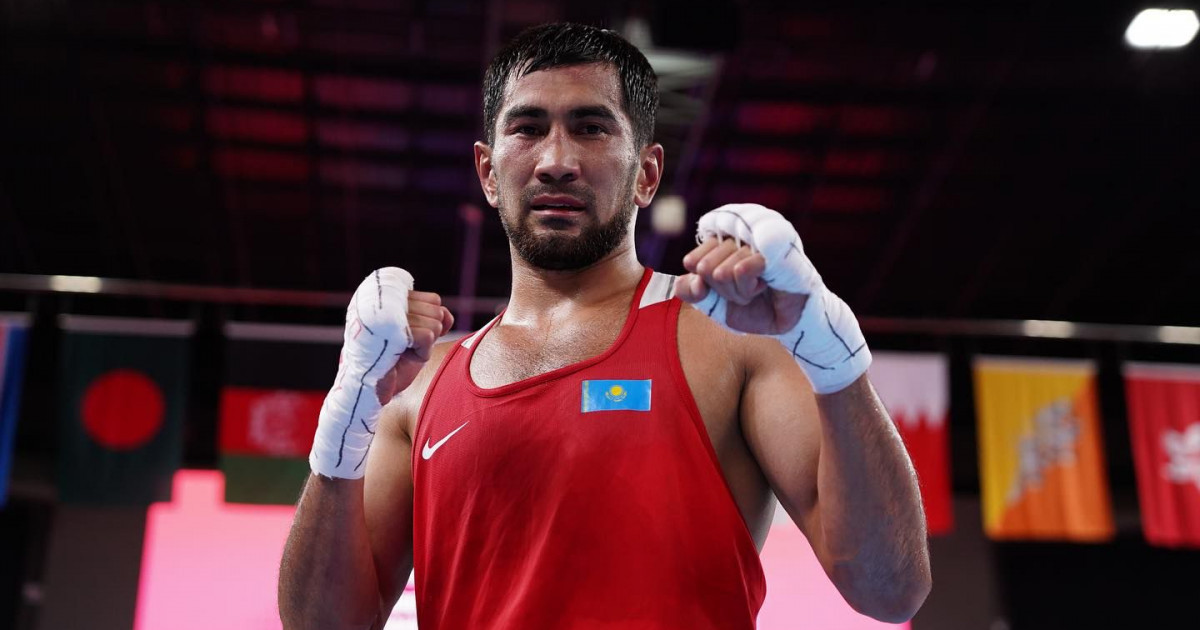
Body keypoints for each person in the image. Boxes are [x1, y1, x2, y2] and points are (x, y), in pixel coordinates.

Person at [279, 23, 930, 630]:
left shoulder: (731, 341)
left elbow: (889, 586)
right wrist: (347, 413)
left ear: (647, 174)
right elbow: (320, 624)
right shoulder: (415, 390)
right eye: (528, 128)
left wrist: (829, 348)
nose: (556, 160)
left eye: (590, 128)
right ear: (488, 172)